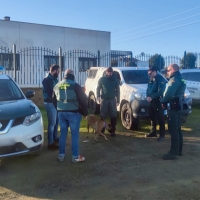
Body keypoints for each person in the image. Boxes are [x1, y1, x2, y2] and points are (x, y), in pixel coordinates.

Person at [54, 69, 88, 163]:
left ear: (65, 75)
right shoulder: (75, 86)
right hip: (74, 113)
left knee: (63, 134)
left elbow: (53, 100)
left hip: (61, 113)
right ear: (73, 75)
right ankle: (75, 157)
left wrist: (59, 108)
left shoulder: (57, 85)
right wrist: (84, 113)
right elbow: (83, 100)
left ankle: (61, 155)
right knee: (74, 135)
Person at [160, 64, 186, 160]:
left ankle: (173, 153)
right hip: (178, 105)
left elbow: (170, 93)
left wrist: (163, 101)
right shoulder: (181, 78)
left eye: (168, 70)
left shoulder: (174, 79)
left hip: (173, 106)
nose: (167, 72)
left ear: (173, 69)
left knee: (173, 129)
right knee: (178, 129)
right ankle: (179, 151)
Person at [97, 67, 120, 137]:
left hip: (112, 100)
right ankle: (102, 130)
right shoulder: (102, 79)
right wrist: (98, 96)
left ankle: (113, 131)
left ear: (112, 73)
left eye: (110, 73)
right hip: (104, 99)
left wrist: (118, 100)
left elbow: (118, 90)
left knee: (113, 115)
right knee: (103, 115)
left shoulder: (115, 79)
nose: (109, 74)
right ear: (106, 72)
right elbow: (98, 88)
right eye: (108, 72)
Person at [146, 67, 167, 141]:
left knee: (160, 118)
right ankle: (153, 132)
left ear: (155, 72)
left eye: (150, 73)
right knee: (151, 117)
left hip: (157, 101)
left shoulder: (160, 79)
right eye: (148, 73)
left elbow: (161, 91)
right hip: (150, 101)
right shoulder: (150, 79)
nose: (149, 74)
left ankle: (162, 135)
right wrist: (148, 96)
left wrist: (152, 97)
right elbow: (148, 89)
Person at [42, 64, 60, 150]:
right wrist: (55, 93)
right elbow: (50, 93)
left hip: (55, 103)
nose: (59, 73)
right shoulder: (47, 80)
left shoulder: (55, 79)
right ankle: (50, 143)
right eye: (58, 71)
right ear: (54, 70)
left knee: (56, 122)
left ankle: (55, 137)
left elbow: (57, 90)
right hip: (49, 103)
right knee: (52, 123)